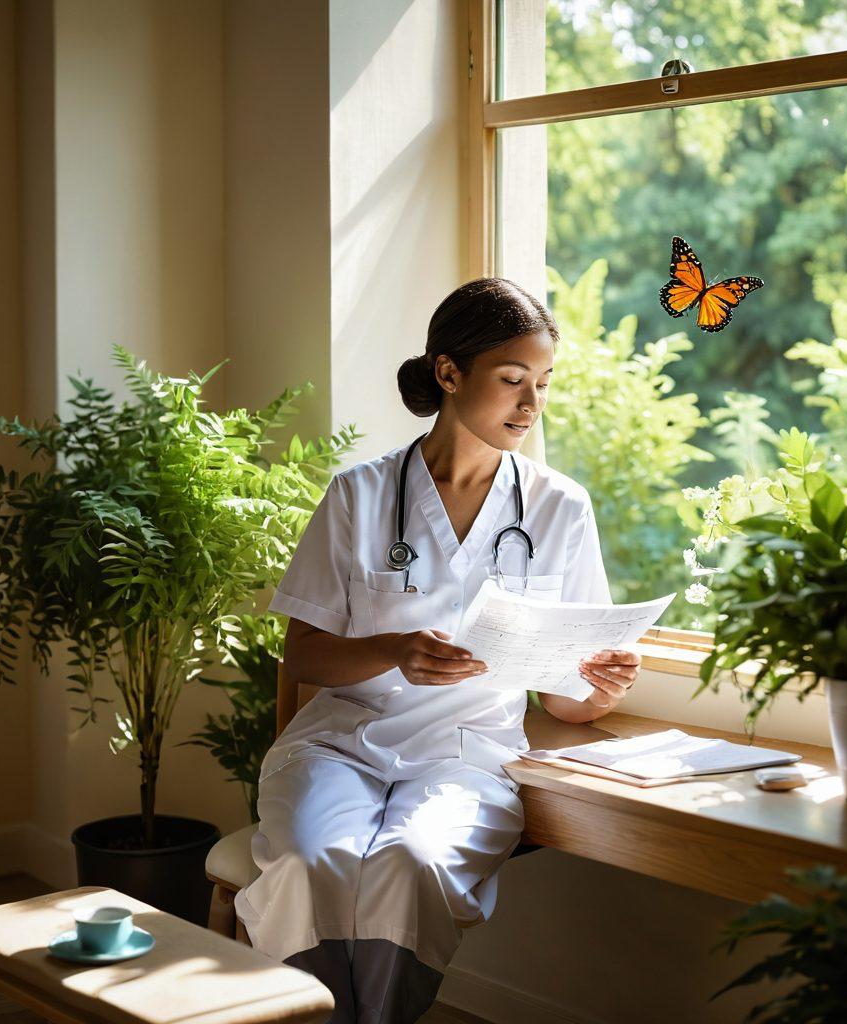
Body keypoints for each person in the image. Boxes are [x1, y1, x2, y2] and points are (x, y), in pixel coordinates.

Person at [234, 278, 642, 1024]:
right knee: (306, 863)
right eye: (513, 380)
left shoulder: (559, 508)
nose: (532, 405)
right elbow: (304, 655)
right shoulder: (358, 494)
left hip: (468, 754)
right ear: (449, 373)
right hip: (339, 742)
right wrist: (391, 650)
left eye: (543, 384)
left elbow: (563, 701)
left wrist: (603, 686)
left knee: (409, 865)